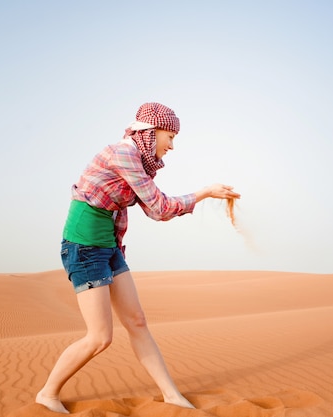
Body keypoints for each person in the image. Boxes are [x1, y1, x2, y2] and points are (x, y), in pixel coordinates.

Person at [35, 102, 241, 414]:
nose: (172, 146)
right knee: (100, 337)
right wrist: (204, 193)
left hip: (108, 246)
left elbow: (152, 207)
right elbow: (159, 209)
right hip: (84, 246)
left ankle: (171, 395)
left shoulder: (139, 162)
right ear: (151, 131)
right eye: (169, 137)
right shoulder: (124, 153)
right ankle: (47, 394)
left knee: (137, 321)